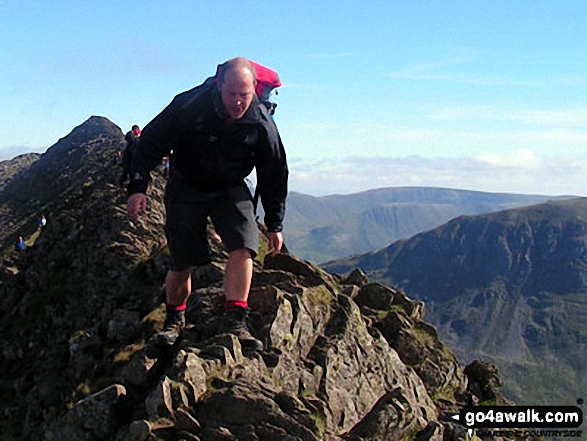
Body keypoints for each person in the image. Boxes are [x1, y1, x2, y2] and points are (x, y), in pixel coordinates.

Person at [127, 57, 288, 352]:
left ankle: (235, 320)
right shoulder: (190, 105)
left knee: (244, 245)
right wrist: (138, 188)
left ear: (254, 90)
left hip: (229, 186)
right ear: (219, 85)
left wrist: (275, 223)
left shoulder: (261, 122)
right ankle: (174, 322)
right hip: (186, 183)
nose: (238, 102)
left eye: (245, 95)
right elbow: (150, 142)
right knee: (182, 260)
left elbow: (274, 173)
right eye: (232, 95)